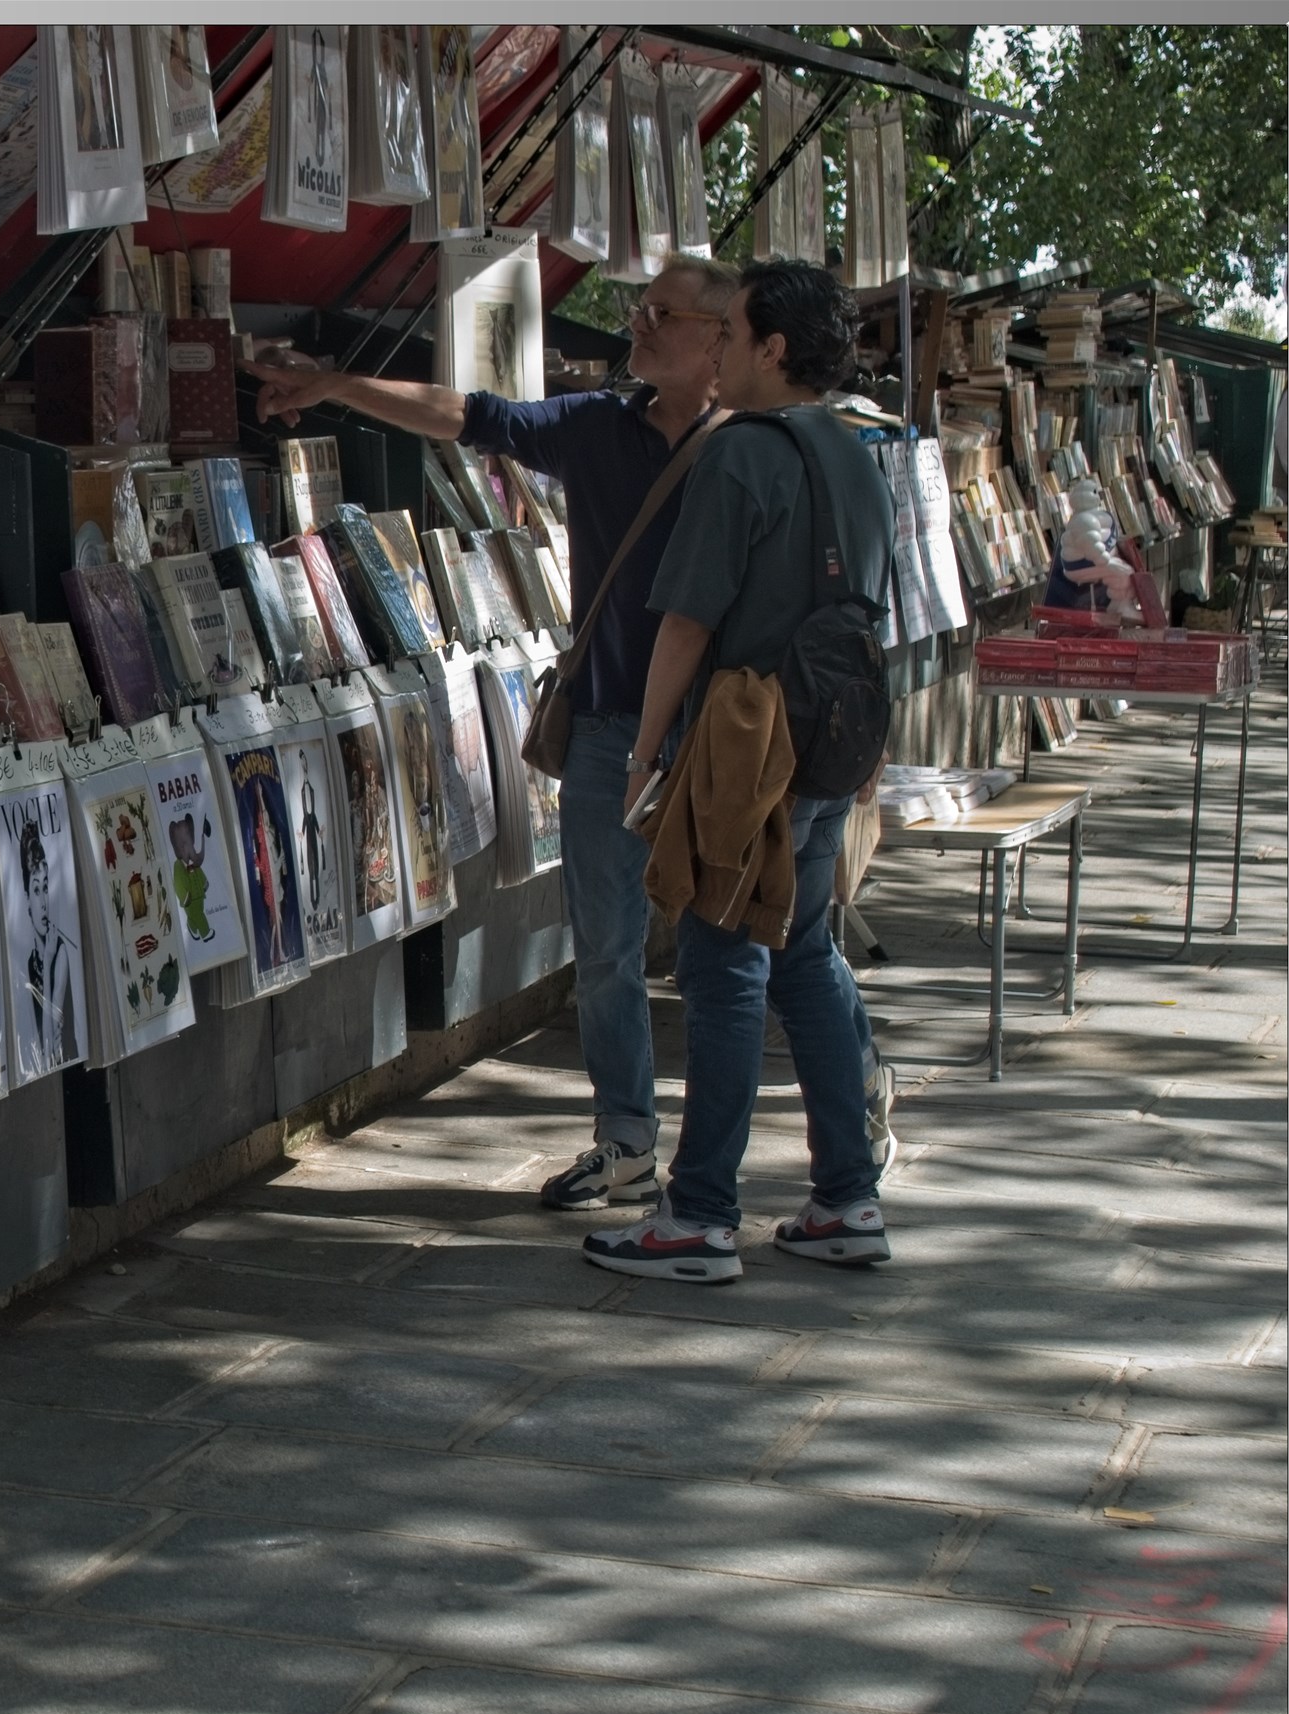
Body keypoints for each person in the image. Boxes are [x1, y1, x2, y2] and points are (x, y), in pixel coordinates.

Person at [248, 256, 738, 1211]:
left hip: (720, 734)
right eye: (637, 306)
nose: (636, 323)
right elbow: (468, 415)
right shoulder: (598, 427)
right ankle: (628, 1140)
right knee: (606, 944)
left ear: (721, 341)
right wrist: (340, 384)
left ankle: (798, 1131)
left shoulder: (752, 448)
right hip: (606, 732)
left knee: (740, 946)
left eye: (660, 313)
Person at [583, 260, 896, 1284]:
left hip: (745, 748)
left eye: (733, 333)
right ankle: (847, 1194)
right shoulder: (860, 454)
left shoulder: (739, 456)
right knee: (804, 952)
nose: (715, 349)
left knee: (722, 966)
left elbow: (685, 623)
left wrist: (643, 753)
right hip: (829, 742)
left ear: (772, 349)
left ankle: (703, 1213)